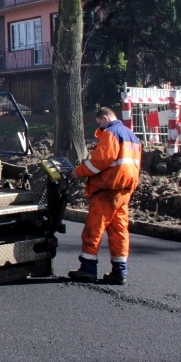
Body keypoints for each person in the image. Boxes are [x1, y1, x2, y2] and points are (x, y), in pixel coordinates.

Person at [67, 107, 142, 285]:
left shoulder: (111, 134)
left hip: (107, 190)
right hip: (124, 191)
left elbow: (100, 161)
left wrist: (78, 172)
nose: (100, 127)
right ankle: (120, 271)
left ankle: (88, 269)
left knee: (93, 230)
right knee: (119, 232)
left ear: (106, 118)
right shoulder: (132, 136)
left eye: (100, 123)